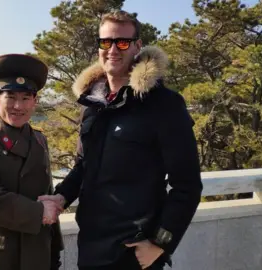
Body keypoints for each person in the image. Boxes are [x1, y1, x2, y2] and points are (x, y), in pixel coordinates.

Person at [38, 10, 203, 270]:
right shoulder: (93, 104)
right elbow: (85, 165)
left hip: (134, 252)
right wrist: (60, 198)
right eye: (106, 42)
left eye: (122, 42)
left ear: (137, 46)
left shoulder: (164, 104)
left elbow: (188, 185)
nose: (112, 49)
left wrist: (160, 244)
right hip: (91, 246)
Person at [0, 54, 64, 270]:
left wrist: (54, 249)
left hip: (37, 253)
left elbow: (46, 192)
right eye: (10, 97)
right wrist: (39, 212)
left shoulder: (39, 138)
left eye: (26, 98)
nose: (18, 106)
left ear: (35, 102)